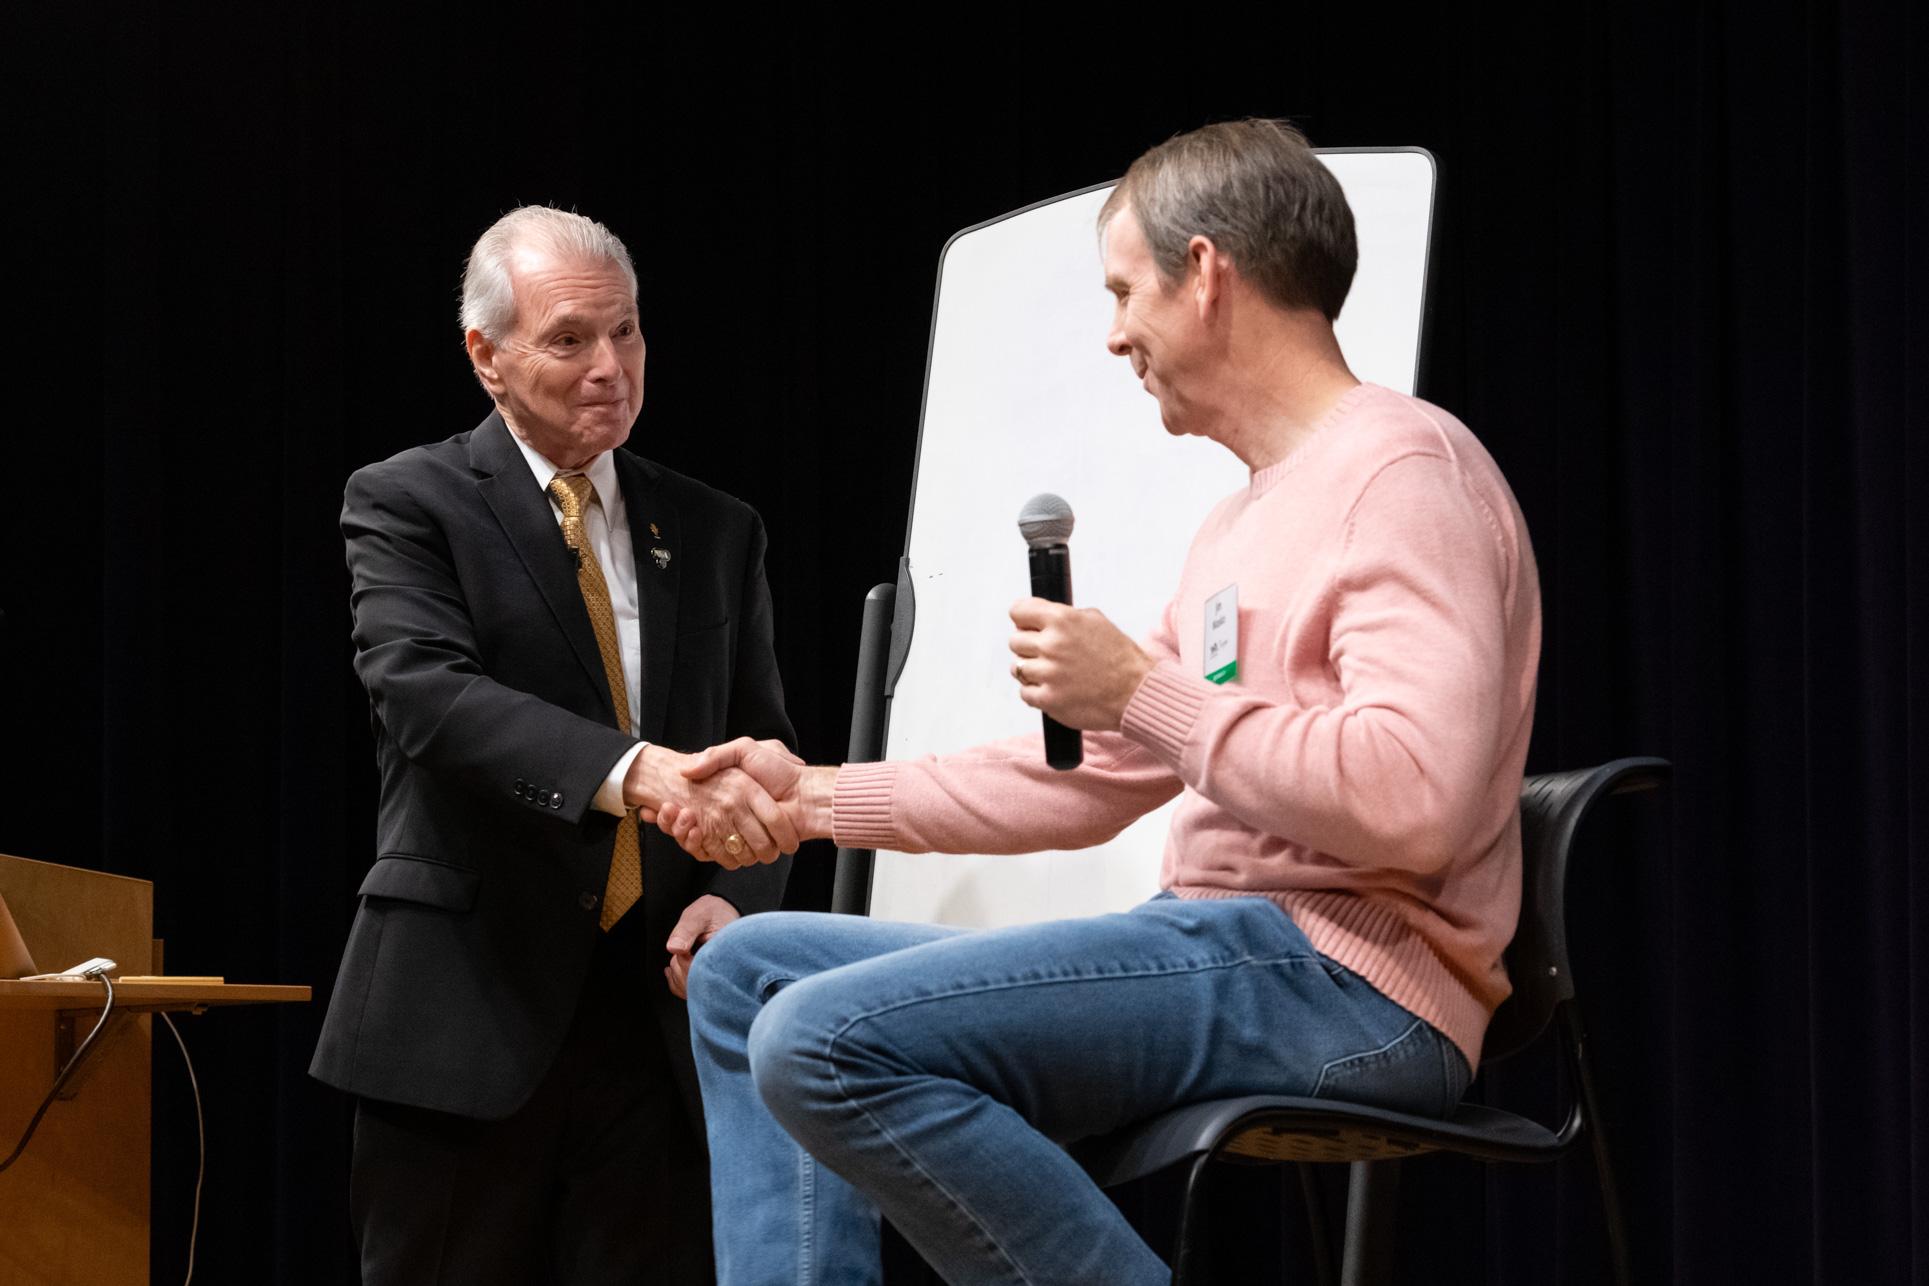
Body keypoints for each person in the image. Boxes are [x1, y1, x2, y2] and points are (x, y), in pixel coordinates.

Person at [660, 119, 1543, 1285]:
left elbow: (1416, 799)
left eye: (1127, 290)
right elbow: (1087, 781)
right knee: (747, 972)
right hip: (1223, 947)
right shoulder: (1242, 518)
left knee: (818, 1035)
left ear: (1209, 274)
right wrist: (811, 797)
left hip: (1344, 980)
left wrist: (1146, 690)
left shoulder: (1403, 474)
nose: (1116, 330)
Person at [310, 206, 800, 1286]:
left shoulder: (718, 529)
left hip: (660, 1024)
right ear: (486, 355)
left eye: (625, 334)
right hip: (466, 1015)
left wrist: (742, 895)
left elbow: (770, 755)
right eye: (570, 339)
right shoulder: (409, 500)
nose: (609, 368)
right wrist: (634, 773)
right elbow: (426, 694)